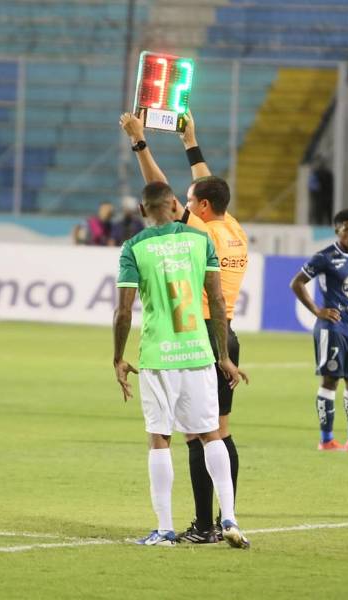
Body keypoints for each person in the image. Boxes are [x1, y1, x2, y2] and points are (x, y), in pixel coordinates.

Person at [120, 110, 249, 545]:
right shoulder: (230, 228)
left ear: (199, 207)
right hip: (224, 333)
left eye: (192, 202)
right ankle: (223, 518)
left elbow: (164, 197)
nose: (185, 204)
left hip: (199, 336)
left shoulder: (197, 235)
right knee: (218, 433)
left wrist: (140, 144)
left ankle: (203, 525)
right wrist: (190, 142)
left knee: (195, 437)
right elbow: (203, 188)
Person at [289, 209, 348, 451]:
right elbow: (297, 282)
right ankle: (326, 439)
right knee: (330, 380)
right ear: (337, 230)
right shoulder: (324, 257)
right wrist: (317, 310)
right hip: (330, 328)